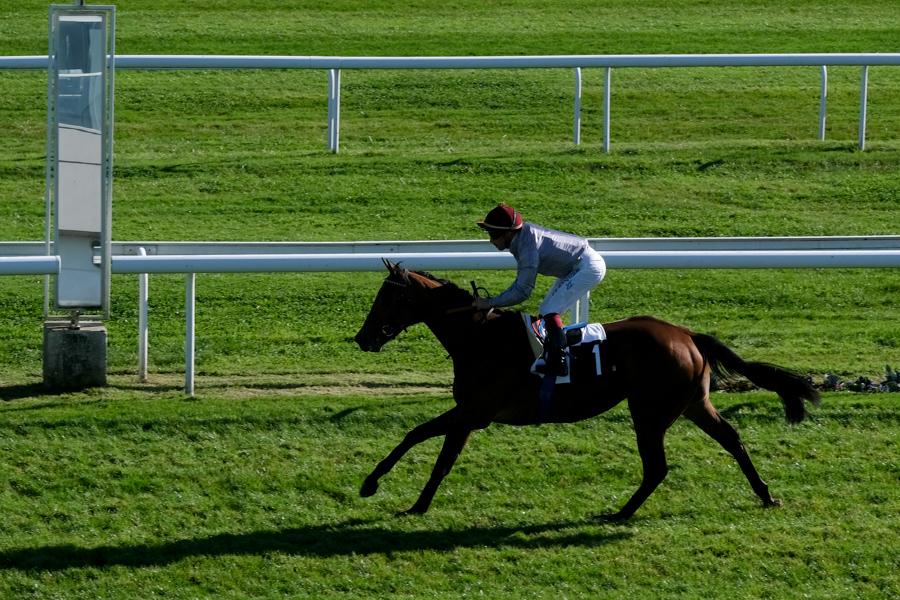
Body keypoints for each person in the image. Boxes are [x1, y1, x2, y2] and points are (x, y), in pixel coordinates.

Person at [473, 203, 606, 377]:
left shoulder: (528, 247)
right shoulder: (522, 239)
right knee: (546, 311)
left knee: (549, 310)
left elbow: (523, 291)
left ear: (509, 232)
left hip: (587, 267)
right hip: (576, 266)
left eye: (494, 234)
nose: (491, 240)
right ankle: (555, 354)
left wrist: (490, 303)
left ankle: (560, 362)